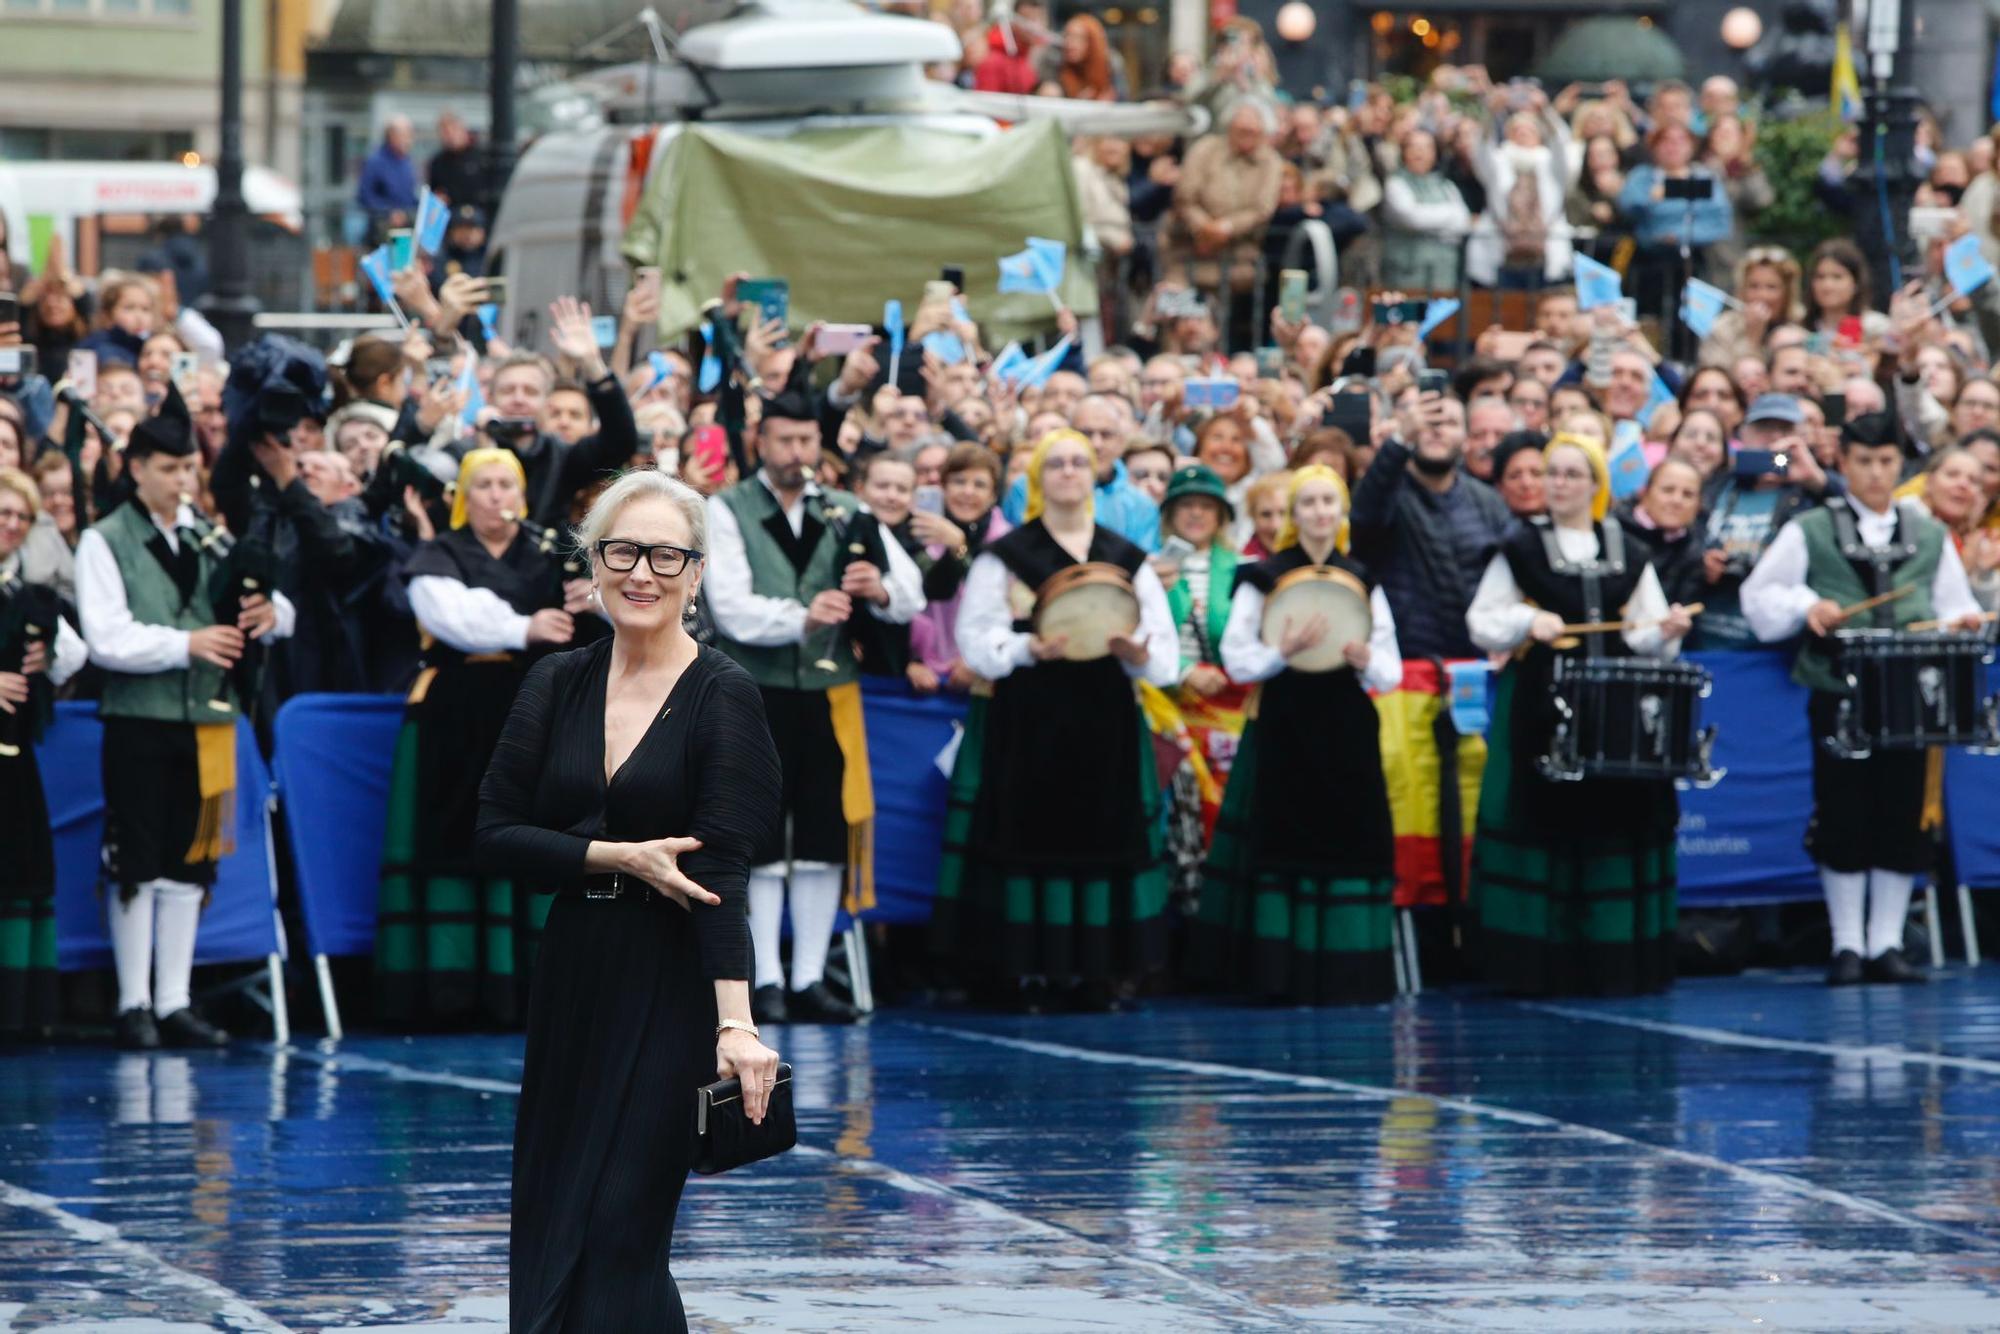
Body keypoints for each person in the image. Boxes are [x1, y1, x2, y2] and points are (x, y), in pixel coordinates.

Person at [478, 469, 783, 1332]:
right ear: (593, 561)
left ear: (694, 573)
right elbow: (494, 834)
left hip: (675, 981)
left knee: (621, 1227)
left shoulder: (726, 695)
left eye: (665, 555)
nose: (641, 572)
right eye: (622, 550)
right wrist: (616, 855)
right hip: (576, 969)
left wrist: (737, 1025)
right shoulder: (556, 682)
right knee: (554, 1217)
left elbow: (721, 875)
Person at [931, 429, 1178, 1010]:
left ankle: (1099, 971)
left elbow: (1163, 652)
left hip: (1104, 719)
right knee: (1028, 836)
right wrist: (1024, 650)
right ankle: (1026, 970)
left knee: (1102, 837)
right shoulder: (1008, 554)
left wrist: (1138, 656)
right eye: (1056, 463)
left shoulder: (1125, 556)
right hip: (1029, 718)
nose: (1069, 472)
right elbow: (976, 636)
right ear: (1038, 478)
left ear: (1093, 475)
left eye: (1078, 462)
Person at [75, 402, 296, 1048]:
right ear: (135, 467)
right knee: (135, 859)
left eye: (188, 467)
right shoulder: (104, 538)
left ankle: (174, 1000)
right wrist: (187, 644)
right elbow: (105, 638)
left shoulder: (206, 533)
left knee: (192, 861)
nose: (181, 481)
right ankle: (132, 1002)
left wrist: (266, 614)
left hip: (208, 719)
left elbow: (280, 607)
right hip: (138, 720)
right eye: (168, 468)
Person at [1741, 412, 1985, 985]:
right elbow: (1760, 595)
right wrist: (1806, 606)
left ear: (1900, 466)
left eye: (1886, 462)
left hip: (1910, 699)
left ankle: (1887, 943)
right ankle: (1847, 943)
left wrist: (1961, 622)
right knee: (1843, 809)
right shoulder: (1811, 528)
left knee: (1902, 813)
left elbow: (1949, 603)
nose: (1876, 474)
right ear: (1843, 464)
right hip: (1839, 690)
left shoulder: (1926, 533)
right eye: (1864, 462)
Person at [705, 391, 923, 1025]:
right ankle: (765, 978)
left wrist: (878, 589)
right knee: (764, 835)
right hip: (754, 688)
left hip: (831, 692)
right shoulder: (728, 508)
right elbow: (731, 604)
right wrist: (803, 616)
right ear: (759, 442)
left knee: (826, 835)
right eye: (784, 441)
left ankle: (808, 979)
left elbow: (908, 593)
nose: (796, 454)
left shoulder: (845, 509)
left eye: (806, 441)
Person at [1466, 434, 1695, 997]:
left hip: (1615, 710)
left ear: (1596, 485)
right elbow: (1481, 620)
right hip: (1543, 706)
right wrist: (1525, 623)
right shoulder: (1519, 546)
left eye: (1572, 474)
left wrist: (1664, 632)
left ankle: (1615, 960)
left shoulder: (1629, 550)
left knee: (1616, 821)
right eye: (1553, 473)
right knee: (1547, 818)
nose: (1559, 484)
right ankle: (1541, 963)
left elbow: (1644, 630)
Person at [375, 448, 576, 1027]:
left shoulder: (547, 552)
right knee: (455, 837)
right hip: (456, 716)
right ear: (463, 495)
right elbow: (449, 616)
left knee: (534, 835)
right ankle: (452, 989)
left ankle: (534, 985)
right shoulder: (440, 553)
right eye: (482, 484)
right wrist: (525, 626)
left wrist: (592, 599)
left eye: (506, 484)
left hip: (532, 708)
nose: (496, 496)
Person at [1196, 465, 1403, 1003]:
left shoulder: (1360, 577)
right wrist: (1283, 652)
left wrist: (1365, 659)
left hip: (1345, 727)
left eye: (1328, 503)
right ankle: (1277, 973)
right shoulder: (1263, 577)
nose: (1319, 513)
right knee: (1281, 840)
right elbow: (1237, 660)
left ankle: (1347, 971)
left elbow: (1391, 669)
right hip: (1284, 723)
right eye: (1308, 503)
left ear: (1341, 513)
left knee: (1348, 841)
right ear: (1293, 513)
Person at [0, 469, 88, 1037]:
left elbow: (75, 654)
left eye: (21, 519)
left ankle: (17, 1016)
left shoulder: (27, 593)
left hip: (13, 753)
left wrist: (47, 656)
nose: (11, 526)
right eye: (3, 513)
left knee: (23, 872)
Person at [908, 442, 1007, 695]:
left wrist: (977, 660)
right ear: (943, 487)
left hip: (982, 672)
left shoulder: (1008, 543)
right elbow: (927, 591)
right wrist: (909, 662)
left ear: (994, 495)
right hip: (924, 671)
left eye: (979, 485)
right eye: (959, 481)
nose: (967, 492)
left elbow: (1006, 609)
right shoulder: (919, 533)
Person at [357, 115, 420, 241]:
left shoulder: (407, 162)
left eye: (410, 135)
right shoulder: (376, 162)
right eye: (405, 135)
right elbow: (365, 196)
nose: (409, 140)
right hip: (381, 230)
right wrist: (389, 212)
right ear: (391, 136)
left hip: (406, 228)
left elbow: (410, 197)